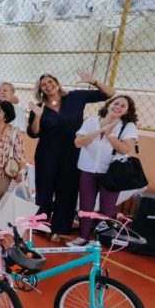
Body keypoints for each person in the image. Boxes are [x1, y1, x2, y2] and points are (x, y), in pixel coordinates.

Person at [27, 69, 113, 239]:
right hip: (47, 152)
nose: (48, 86)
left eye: (50, 82)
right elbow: (33, 133)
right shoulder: (39, 107)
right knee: (44, 189)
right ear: (40, 89)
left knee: (67, 190)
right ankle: (41, 225)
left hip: (72, 151)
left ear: (57, 83)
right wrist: (38, 116)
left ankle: (59, 228)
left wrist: (93, 81)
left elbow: (109, 93)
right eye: (43, 85)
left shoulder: (75, 97)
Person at [74, 94, 139, 245]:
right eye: (116, 103)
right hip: (87, 168)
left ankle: (103, 238)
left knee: (107, 208)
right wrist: (100, 131)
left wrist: (110, 136)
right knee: (86, 205)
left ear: (127, 111)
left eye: (123, 106)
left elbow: (124, 150)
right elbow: (78, 142)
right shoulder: (91, 122)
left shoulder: (127, 126)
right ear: (109, 104)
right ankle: (83, 237)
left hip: (111, 173)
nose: (118, 107)